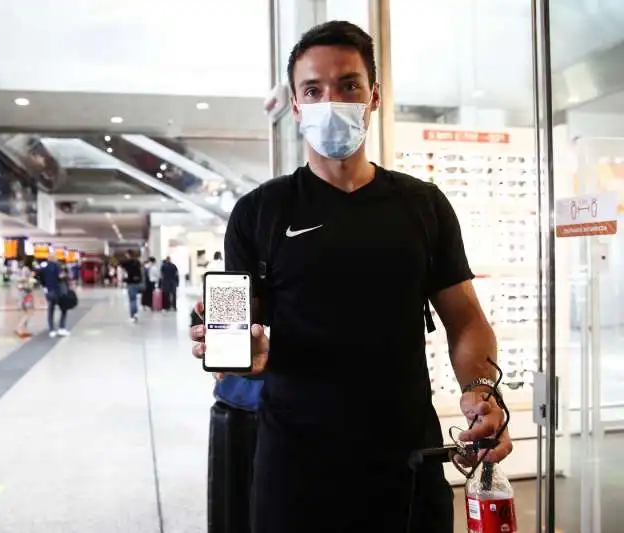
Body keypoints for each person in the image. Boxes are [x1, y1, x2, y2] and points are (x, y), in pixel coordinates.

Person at [190, 21, 511, 533]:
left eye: (348, 85)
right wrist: (231, 347)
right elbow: (239, 328)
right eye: (313, 90)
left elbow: (466, 318)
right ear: (295, 106)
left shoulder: (422, 205)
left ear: (373, 96)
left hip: (406, 457)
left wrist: (479, 391)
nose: (330, 100)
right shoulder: (259, 212)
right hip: (295, 464)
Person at [41, 251, 70, 337]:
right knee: (64, 309)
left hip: (49, 292)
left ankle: (51, 330)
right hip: (58, 292)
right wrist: (65, 275)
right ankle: (61, 328)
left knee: (50, 311)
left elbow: (41, 280)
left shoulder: (44, 268)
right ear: (54, 258)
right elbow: (61, 276)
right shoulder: (57, 266)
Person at [120, 250, 144, 322]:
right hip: (137, 283)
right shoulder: (137, 262)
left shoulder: (127, 262)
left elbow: (120, 265)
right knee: (135, 299)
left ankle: (133, 314)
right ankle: (135, 313)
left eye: (126, 255)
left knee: (132, 299)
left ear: (128, 255)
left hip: (130, 283)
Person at [14, 265, 36, 338]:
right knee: (29, 312)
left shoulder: (20, 277)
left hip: (23, 296)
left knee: (25, 312)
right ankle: (19, 327)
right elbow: (29, 287)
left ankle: (24, 330)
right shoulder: (28, 278)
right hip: (27, 296)